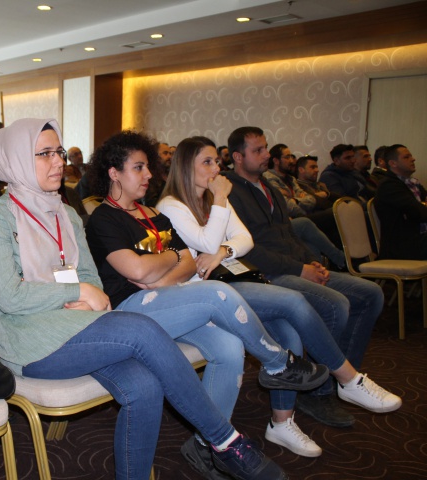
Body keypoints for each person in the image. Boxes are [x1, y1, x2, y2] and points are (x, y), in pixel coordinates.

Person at [0, 117, 289, 480]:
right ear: (15, 159)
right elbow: (10, 297)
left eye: (58, 151)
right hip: (29, 340)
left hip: (77, 325)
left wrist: (88, 293)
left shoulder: (65, 214)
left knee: (144, 387)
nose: (58, 161)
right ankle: (225, 440)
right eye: (44, 153)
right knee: (141, 329)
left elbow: (91, 277)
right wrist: (79, 292)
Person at [84, 131, 330, 468]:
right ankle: (277, 363)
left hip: (167, 301)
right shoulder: (104, 218)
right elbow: (137, 269)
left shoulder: (153, 213)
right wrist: (170, 260)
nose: (149, 174)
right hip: (131, 313)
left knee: (230, 346)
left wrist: (162, 274)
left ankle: (206, 445)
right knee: (217, 292)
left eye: (148, 167)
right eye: (138, 168)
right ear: (114, 173)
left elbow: (188, 262)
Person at [158, 136, 402, 457]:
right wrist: (220, 203)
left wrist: (222, 251)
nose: (216, 168)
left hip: (229, 280)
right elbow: (206, 241)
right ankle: (348, 378)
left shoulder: (212, 199)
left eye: (216, 161)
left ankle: (281, 422)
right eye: (207, 162)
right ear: (185, 167)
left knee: (289, 333)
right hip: (203, 293)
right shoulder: (171, 205)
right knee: (293, 301)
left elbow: (244, 239)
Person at [224, 126, 390, 429]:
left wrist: (311, 261)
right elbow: (250, 251)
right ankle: (318, 390)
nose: (266, 155)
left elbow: (289, 233)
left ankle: (341, 380)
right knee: (336, 305)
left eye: (265, 148)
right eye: (257, 150)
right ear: (237, 156)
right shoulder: (229, 193)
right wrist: (300, 269)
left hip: (294, 266)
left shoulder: (269, 187)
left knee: (370, 294)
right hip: (267, 275)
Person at [374, 144, 427, 260]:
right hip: (401, 246)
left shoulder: (412, 183)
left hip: (416, 240)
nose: (413, 159)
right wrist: (423, 206)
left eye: (411, 156)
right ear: (393, 163)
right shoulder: (389, 186)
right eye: (406, 157)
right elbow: (419, 212)